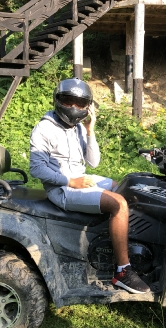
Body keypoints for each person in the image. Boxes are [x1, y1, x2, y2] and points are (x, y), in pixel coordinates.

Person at [29, 77, 150, 294]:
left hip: (80, 178)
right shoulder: (44, 129)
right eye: (68, 101)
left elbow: (93, 162)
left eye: (81, 103)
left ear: (88, 106)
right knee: (119, 203)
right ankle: (122, 271)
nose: (74, 107)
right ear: (58, 100)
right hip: (62, 189)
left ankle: (123, 243)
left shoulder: (76, 128)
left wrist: (89, 130)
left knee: (125, 187)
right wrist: (70, 181)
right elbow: (36, 169)